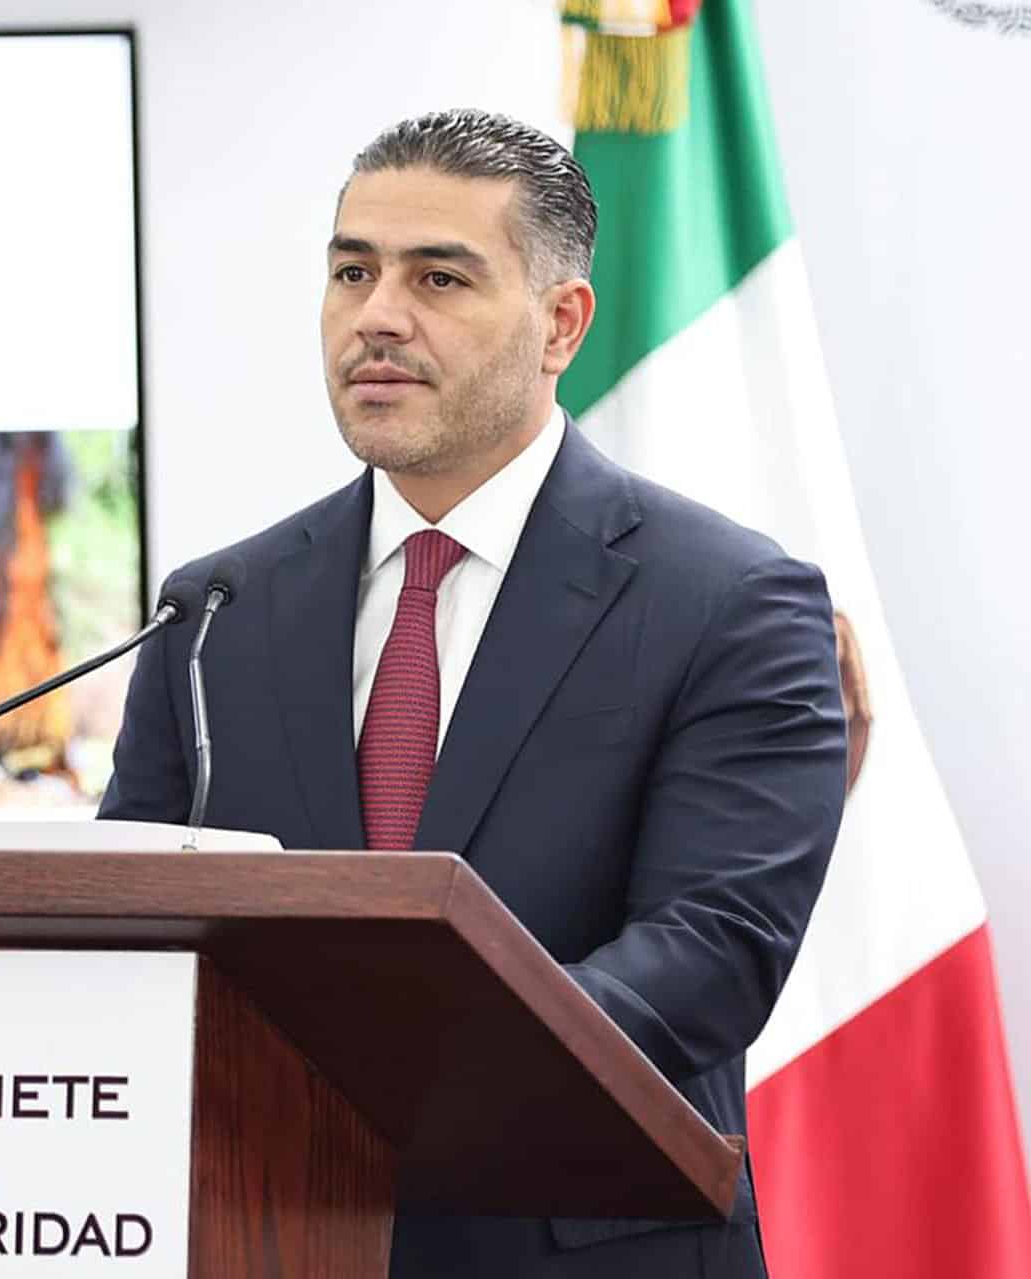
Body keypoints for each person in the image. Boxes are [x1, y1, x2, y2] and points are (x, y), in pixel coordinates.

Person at [100, 109, 847, 1278]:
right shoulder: (216, 610)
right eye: (352, 272)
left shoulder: (731, 600)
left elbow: (714, 948)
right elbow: (133, 914)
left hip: (586, 1246)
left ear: (562, 324)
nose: (377, 317)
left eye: (438, 277)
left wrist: (397, 1074)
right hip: (271, 1235)